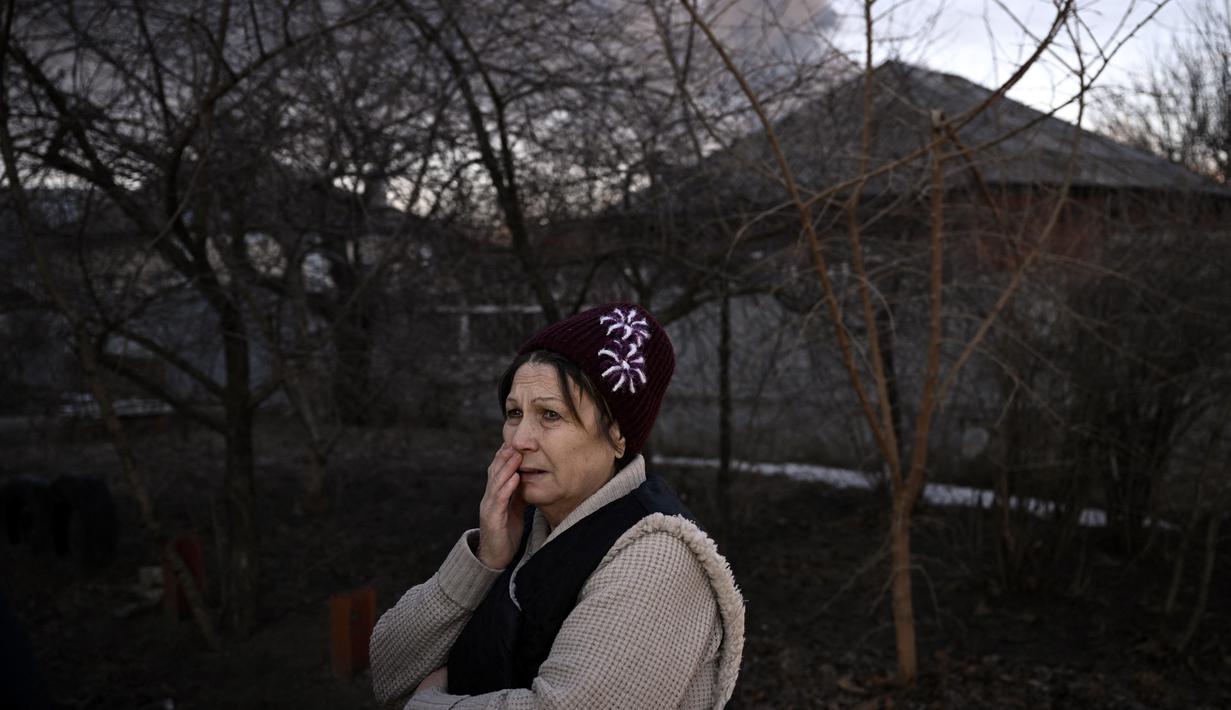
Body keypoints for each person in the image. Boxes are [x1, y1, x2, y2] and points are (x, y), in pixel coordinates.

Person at [371, 303, 745, 709]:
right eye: (514, 413)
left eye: (550, 414)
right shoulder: (525, 528)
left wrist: (430, 703)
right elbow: (388, 669)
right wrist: (484, 561)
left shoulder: (656, 558)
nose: (519, 439)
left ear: (618, 435)